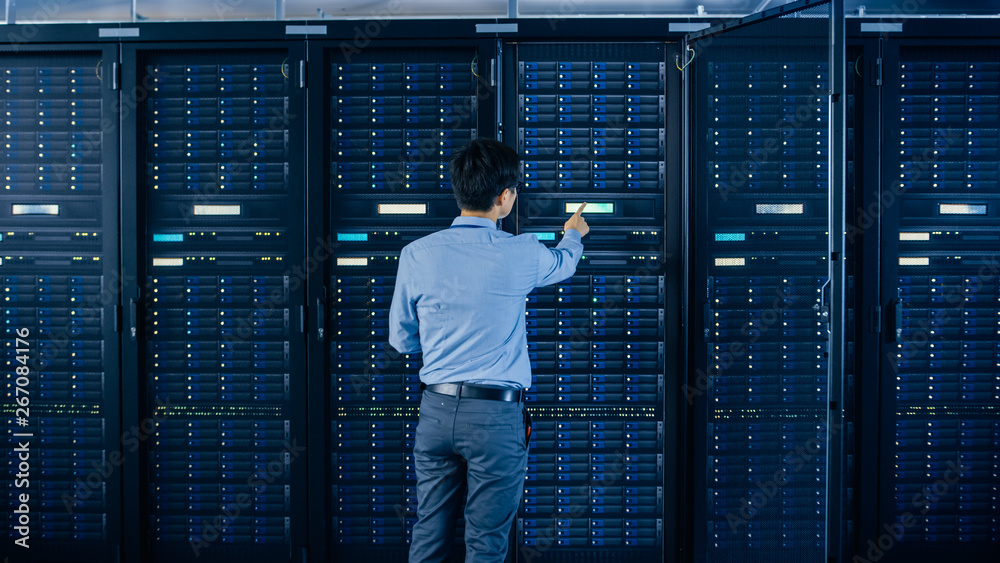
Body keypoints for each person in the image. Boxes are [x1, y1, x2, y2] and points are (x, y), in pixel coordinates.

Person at [389, 137, 589, 562]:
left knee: (429, 531)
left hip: (436, 411)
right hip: (496, 418)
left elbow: (401, 340)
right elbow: (564, 263)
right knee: (486, 542)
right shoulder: (521, 252)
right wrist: (572, 234)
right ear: (504, 197)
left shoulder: (416, 254)